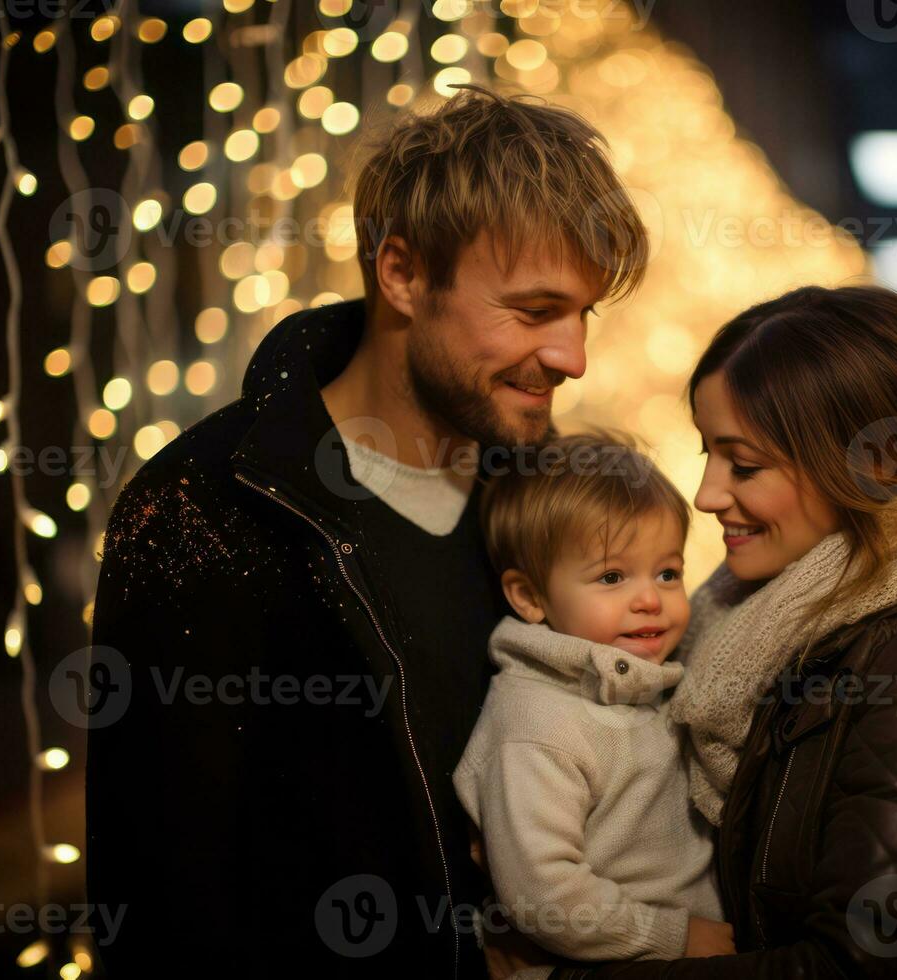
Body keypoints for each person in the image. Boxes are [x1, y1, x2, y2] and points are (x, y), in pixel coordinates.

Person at [84, 87, 647, 978]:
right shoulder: (208, 505)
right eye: (534, 312)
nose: (573, 357)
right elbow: (163, 897)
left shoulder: (546, 501)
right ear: (402, 275)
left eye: (584, 316)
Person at [548, 284, 897, 979]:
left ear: (876, 465)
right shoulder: (760, 611)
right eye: (707, 455)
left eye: (743, 464)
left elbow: (858, 966)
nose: (708, 495)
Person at [453, 433, 732, 975]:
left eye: (668, 572)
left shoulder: (655, 687)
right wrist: (673, 937)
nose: (650, 598)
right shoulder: (536, 722)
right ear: (531, 598)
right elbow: (544, 892)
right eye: (612, 576)